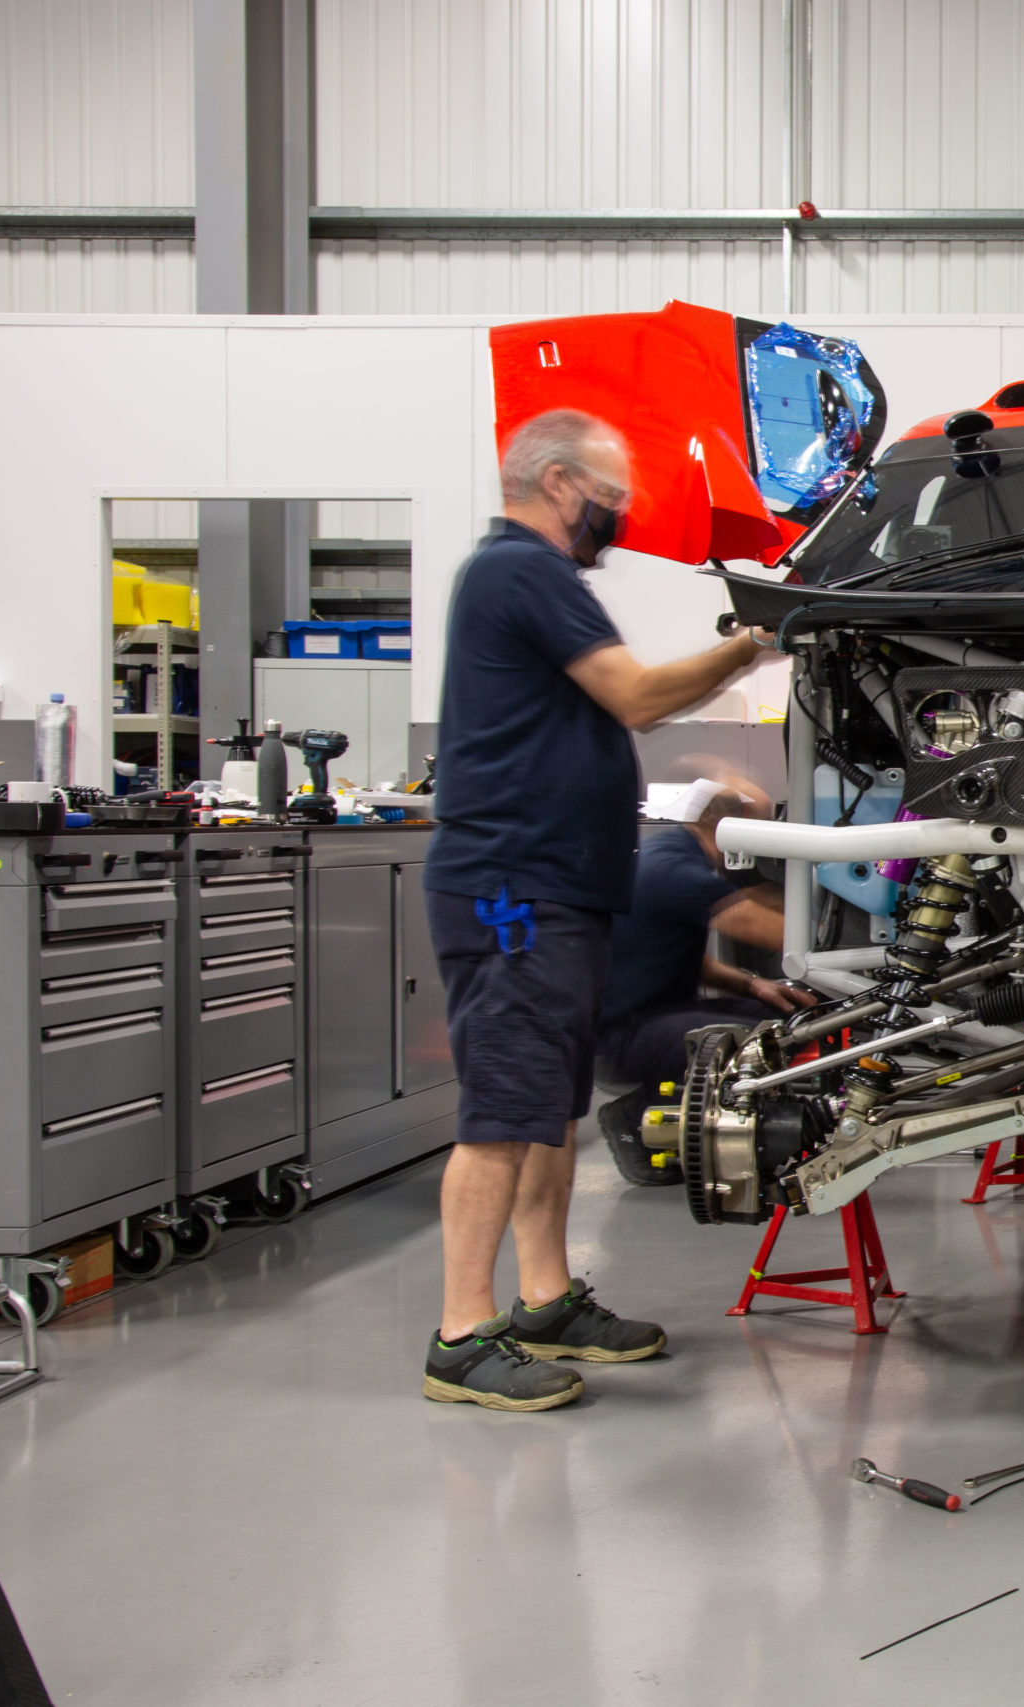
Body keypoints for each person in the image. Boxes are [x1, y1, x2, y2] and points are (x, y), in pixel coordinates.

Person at [422, 407, 771, 1412]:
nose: (619, 515)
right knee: (500, 1113)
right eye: (613, 496)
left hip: (559, 889)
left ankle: (542, 1299)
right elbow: (635, 698)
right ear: (561, 483)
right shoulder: (519, 571)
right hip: (510, 890)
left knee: (549, 1106)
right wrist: (744, 649)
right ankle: (458, 1336)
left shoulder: (539, 582)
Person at [592, 773, 818, 1184]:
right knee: (756, 1041)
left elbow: (685, 960)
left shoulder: (673, 854)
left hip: (656, 1012)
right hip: (622, 1037)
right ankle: (633, 1115)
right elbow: (764, 928)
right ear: (727, 826)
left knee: (780, 1016)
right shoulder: (675, 871)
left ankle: (719, 1124)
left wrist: (752, 985)